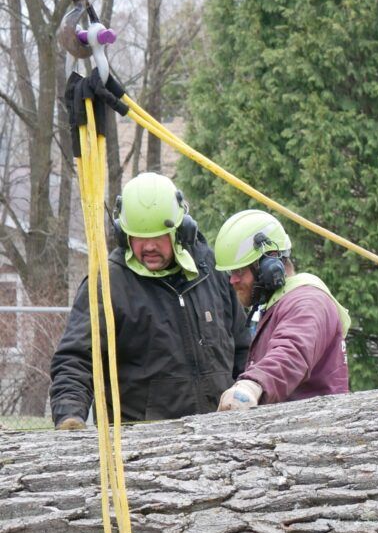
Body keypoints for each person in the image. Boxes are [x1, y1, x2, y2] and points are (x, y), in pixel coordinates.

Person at [50, 172, 250, 428]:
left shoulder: (210, 270)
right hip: (144, 447)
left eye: (159, 236)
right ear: (123, 235)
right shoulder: (108, 283)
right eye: (139, 237)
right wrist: (70, 415)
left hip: (220, 433)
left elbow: (244, 348)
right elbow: (76, 358)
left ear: (181, 230)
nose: (149, 247)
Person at [213, 209, 350, 410]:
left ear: (270, 263)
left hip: (317, 430)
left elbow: (291, 351)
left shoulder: (308, 302)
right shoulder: (280, 303)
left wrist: (253, 385)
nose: (232, 280)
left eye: (239, 271)